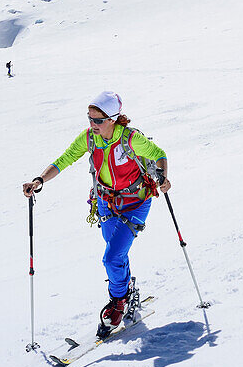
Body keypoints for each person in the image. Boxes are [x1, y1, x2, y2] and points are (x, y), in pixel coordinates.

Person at [23, 91, 170, 339]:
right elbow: (66, 158)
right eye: (90, 119)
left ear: (113, 118)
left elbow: (159, 154)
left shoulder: (131, 139)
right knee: (116, 253)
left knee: (111, 258)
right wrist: (40, 180)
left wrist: (163, 178)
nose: (93, 124)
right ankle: (127, 289)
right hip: (105, 203)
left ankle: (118, 302)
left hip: (135, 203)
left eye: (98, 120)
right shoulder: (90, 138)